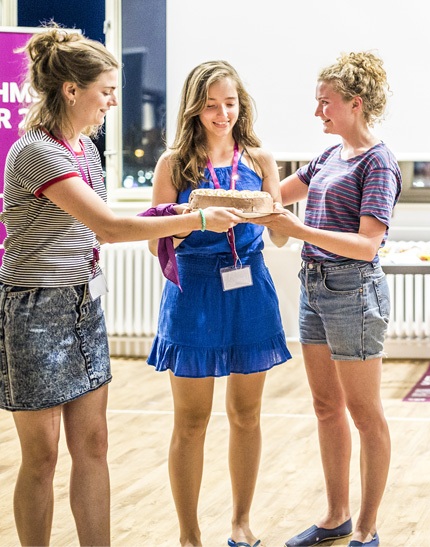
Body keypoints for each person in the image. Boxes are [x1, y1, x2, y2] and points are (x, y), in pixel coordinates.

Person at [0, 26, 242, 547]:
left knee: (95, 444)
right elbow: (110, 229)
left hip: (85, 306)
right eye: (106, 90)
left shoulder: (84, 149)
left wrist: (177, 211)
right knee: (41, 457)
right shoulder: (38, 152)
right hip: (35, 312)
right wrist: (195, 222)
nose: (113, 101)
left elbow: (105, 222)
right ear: (71, 89)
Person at [253, 51, 399, 547]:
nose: (318, 112)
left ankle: (366, 526)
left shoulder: (379, 163)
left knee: (364, 412)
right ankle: (336, 515)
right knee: (325, 406)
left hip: (353, 291)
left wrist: (298, 229)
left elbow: (366, 244)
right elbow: (275, 198)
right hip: (315, 287)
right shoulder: (330, 156)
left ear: (355, 104)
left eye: (326, 103)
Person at [145, 60, 292, 547]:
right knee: (190, 421)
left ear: (241, 103)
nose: (222, 113)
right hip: (193, 292)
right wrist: (196, 216)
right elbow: (153, 242)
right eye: (210, 105)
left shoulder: (259, 160)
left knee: (246, 415)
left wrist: (274, 214)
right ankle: (189, 535)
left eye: (229, 103)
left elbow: (280, 240)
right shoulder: (173, 164)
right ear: (194, 108)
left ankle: (241, 522)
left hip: (250, 289)